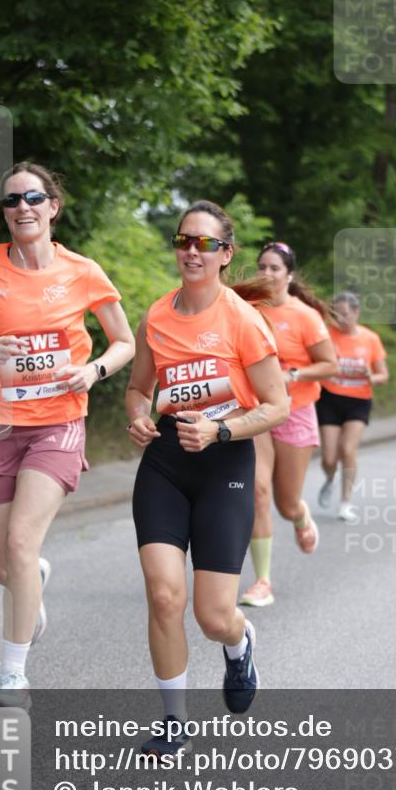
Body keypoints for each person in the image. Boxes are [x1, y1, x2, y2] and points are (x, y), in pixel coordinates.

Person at [0, 162, 135, 705]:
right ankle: (31, 582)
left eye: (32, 197)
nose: (22, 207)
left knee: (22, 543)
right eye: (11, 201)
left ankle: (13, 675)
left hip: (57, 423)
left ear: (53, 206)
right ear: (4, 213)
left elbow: (125, 342)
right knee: (1, 562)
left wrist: (92, 371)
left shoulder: (83, 271)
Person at [126, 200, 289, 756]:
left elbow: (277, 406)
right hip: (167, 463)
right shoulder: (157, 316)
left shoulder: (243, 320)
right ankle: (174, 722)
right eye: (184, 241)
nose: (192, 251)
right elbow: (135, 390)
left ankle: (239, 644)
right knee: (164, 595)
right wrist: (137, 418)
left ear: (226, 254)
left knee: (212, 614)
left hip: (225, 464)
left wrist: (221, 432)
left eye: (205, 244)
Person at [239, 242, 337, 608]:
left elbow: (330, 364)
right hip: (259, 411)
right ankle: (263, 581)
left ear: (289, 275)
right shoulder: (247, 309)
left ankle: (300, 516)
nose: (266, 273)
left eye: (274, 268)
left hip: (296, 412)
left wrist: (293, 373)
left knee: (285, 503)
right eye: (262, 266)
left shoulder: (305, 316)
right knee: (257, 492)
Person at [316, 292, 389, 521]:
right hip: (330, 397)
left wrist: (370, 376)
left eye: (345, 314)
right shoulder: (326, 335)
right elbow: (316, 363)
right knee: (329, 457)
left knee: (347, 450)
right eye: (336, 314)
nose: (341, 319)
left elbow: (383, 375)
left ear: (357, 312)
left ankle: (346, 502)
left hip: (358, 400)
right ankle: (330, 479)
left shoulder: (370, 339)